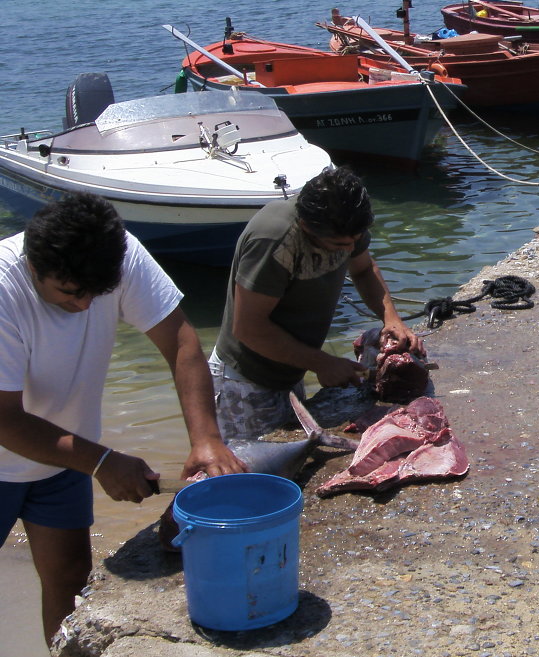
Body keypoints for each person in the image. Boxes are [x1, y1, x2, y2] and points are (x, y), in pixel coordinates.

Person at [0, 193, 245, 645]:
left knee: (72, 579)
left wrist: (206, 439)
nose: (85, 306)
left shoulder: (118, 253)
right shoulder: (3, 287)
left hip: (62, 457)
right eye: (71, 293)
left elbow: (182, 342)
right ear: (34, 267)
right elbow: (6, 421)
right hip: (19, 445)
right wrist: (102, 462)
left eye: (98, 293)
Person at [212, 165, 423, 441]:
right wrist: (322, 363)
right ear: (305, 228)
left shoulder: (347, 224)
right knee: (249, 474)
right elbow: (248, 328)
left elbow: (362, 269)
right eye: (338, 245)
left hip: (291, 370)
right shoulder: (275, 239)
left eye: (355, 241)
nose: (349, 250)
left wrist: (391, 318)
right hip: (245, 380)